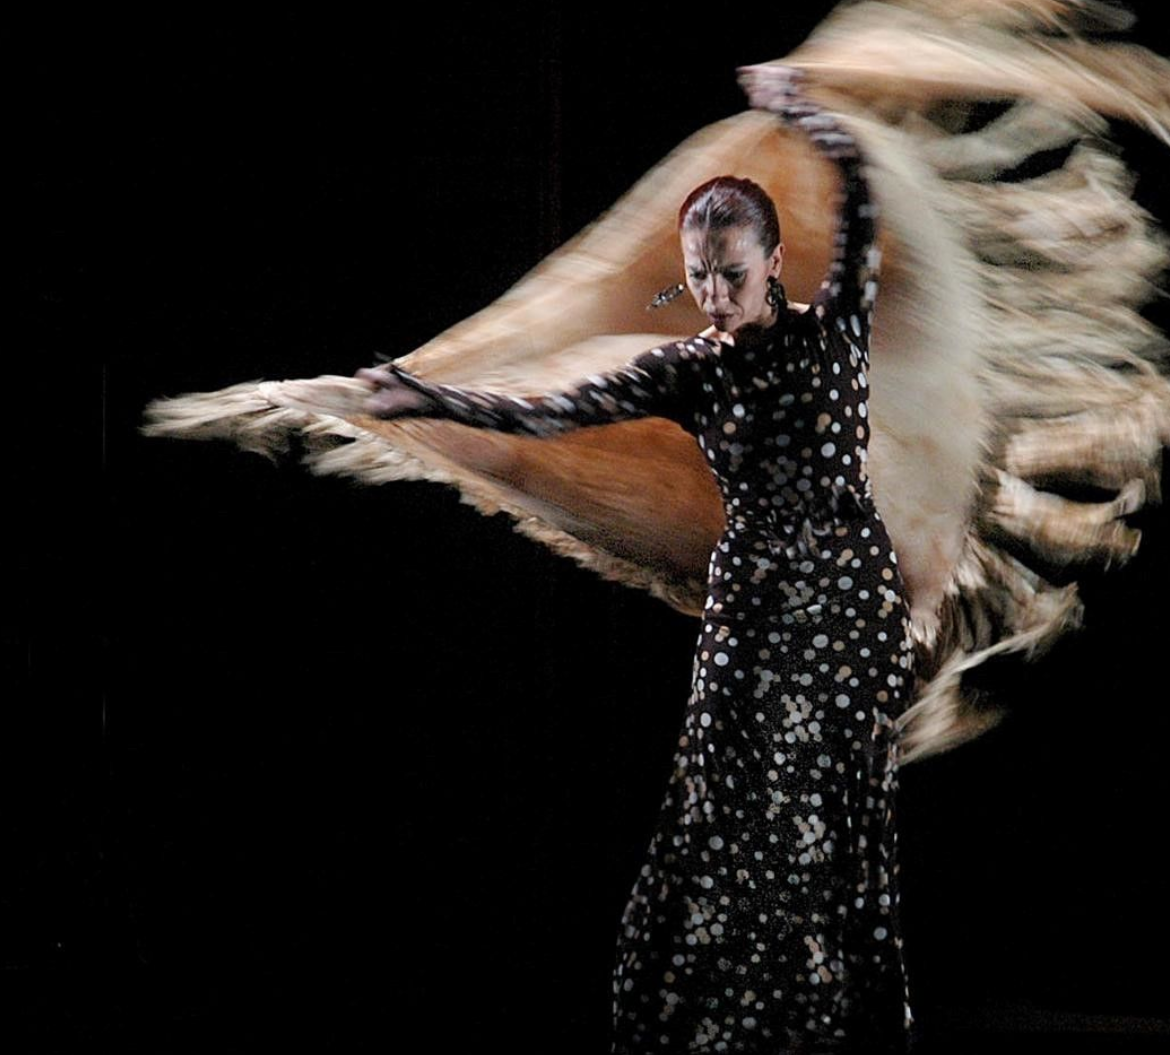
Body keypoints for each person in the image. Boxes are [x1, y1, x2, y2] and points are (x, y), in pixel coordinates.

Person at [357, 64, 917, 1055]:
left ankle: (833, 1026)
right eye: (699, 274)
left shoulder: (836, 332)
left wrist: (800, 111)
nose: (711, 293)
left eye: (730, 274)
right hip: (751, 598)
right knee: (722, 792)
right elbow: (551, 413)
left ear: (775, 260)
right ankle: (714, 1027)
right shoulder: (688, 371)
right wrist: (430, 399)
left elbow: (864, 189)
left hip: (845, 602)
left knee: (827, 801)